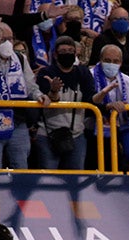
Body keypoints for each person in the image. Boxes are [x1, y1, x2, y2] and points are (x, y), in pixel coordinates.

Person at [0, 18, 50, 169]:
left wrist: (39, 95)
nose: (8, 43)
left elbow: (29, 84)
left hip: (17, 122)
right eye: (3, 39)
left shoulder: (20, 59)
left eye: (10, 39)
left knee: (21, 168)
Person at [35, 35, 98, 170]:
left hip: (76, 134)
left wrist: (102, 95)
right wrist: (53, 91)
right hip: (48, 134)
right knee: (47, 179)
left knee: (75, 180)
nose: (67, 54)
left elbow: (90, 99)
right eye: (63, 51)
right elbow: (45, 100)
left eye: (70, 51)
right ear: (55, 55)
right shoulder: (46, 73)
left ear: (75, 54)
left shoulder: (83, 72)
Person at [87, 43, 129, 170]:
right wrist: (108, 105)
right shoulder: (89, 75)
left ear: (121, 62)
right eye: (107, 60)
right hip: (91, 133)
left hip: (116, 134)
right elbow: (87, 103)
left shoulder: (126, 80)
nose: (111, 64)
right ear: (100, 59)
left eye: (116, 61)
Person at [89, 5, 129, 76]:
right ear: (110, 22)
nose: (121, 22)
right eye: (117, 19)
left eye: (125, 19)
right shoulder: (101, 40)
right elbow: (95, 64)